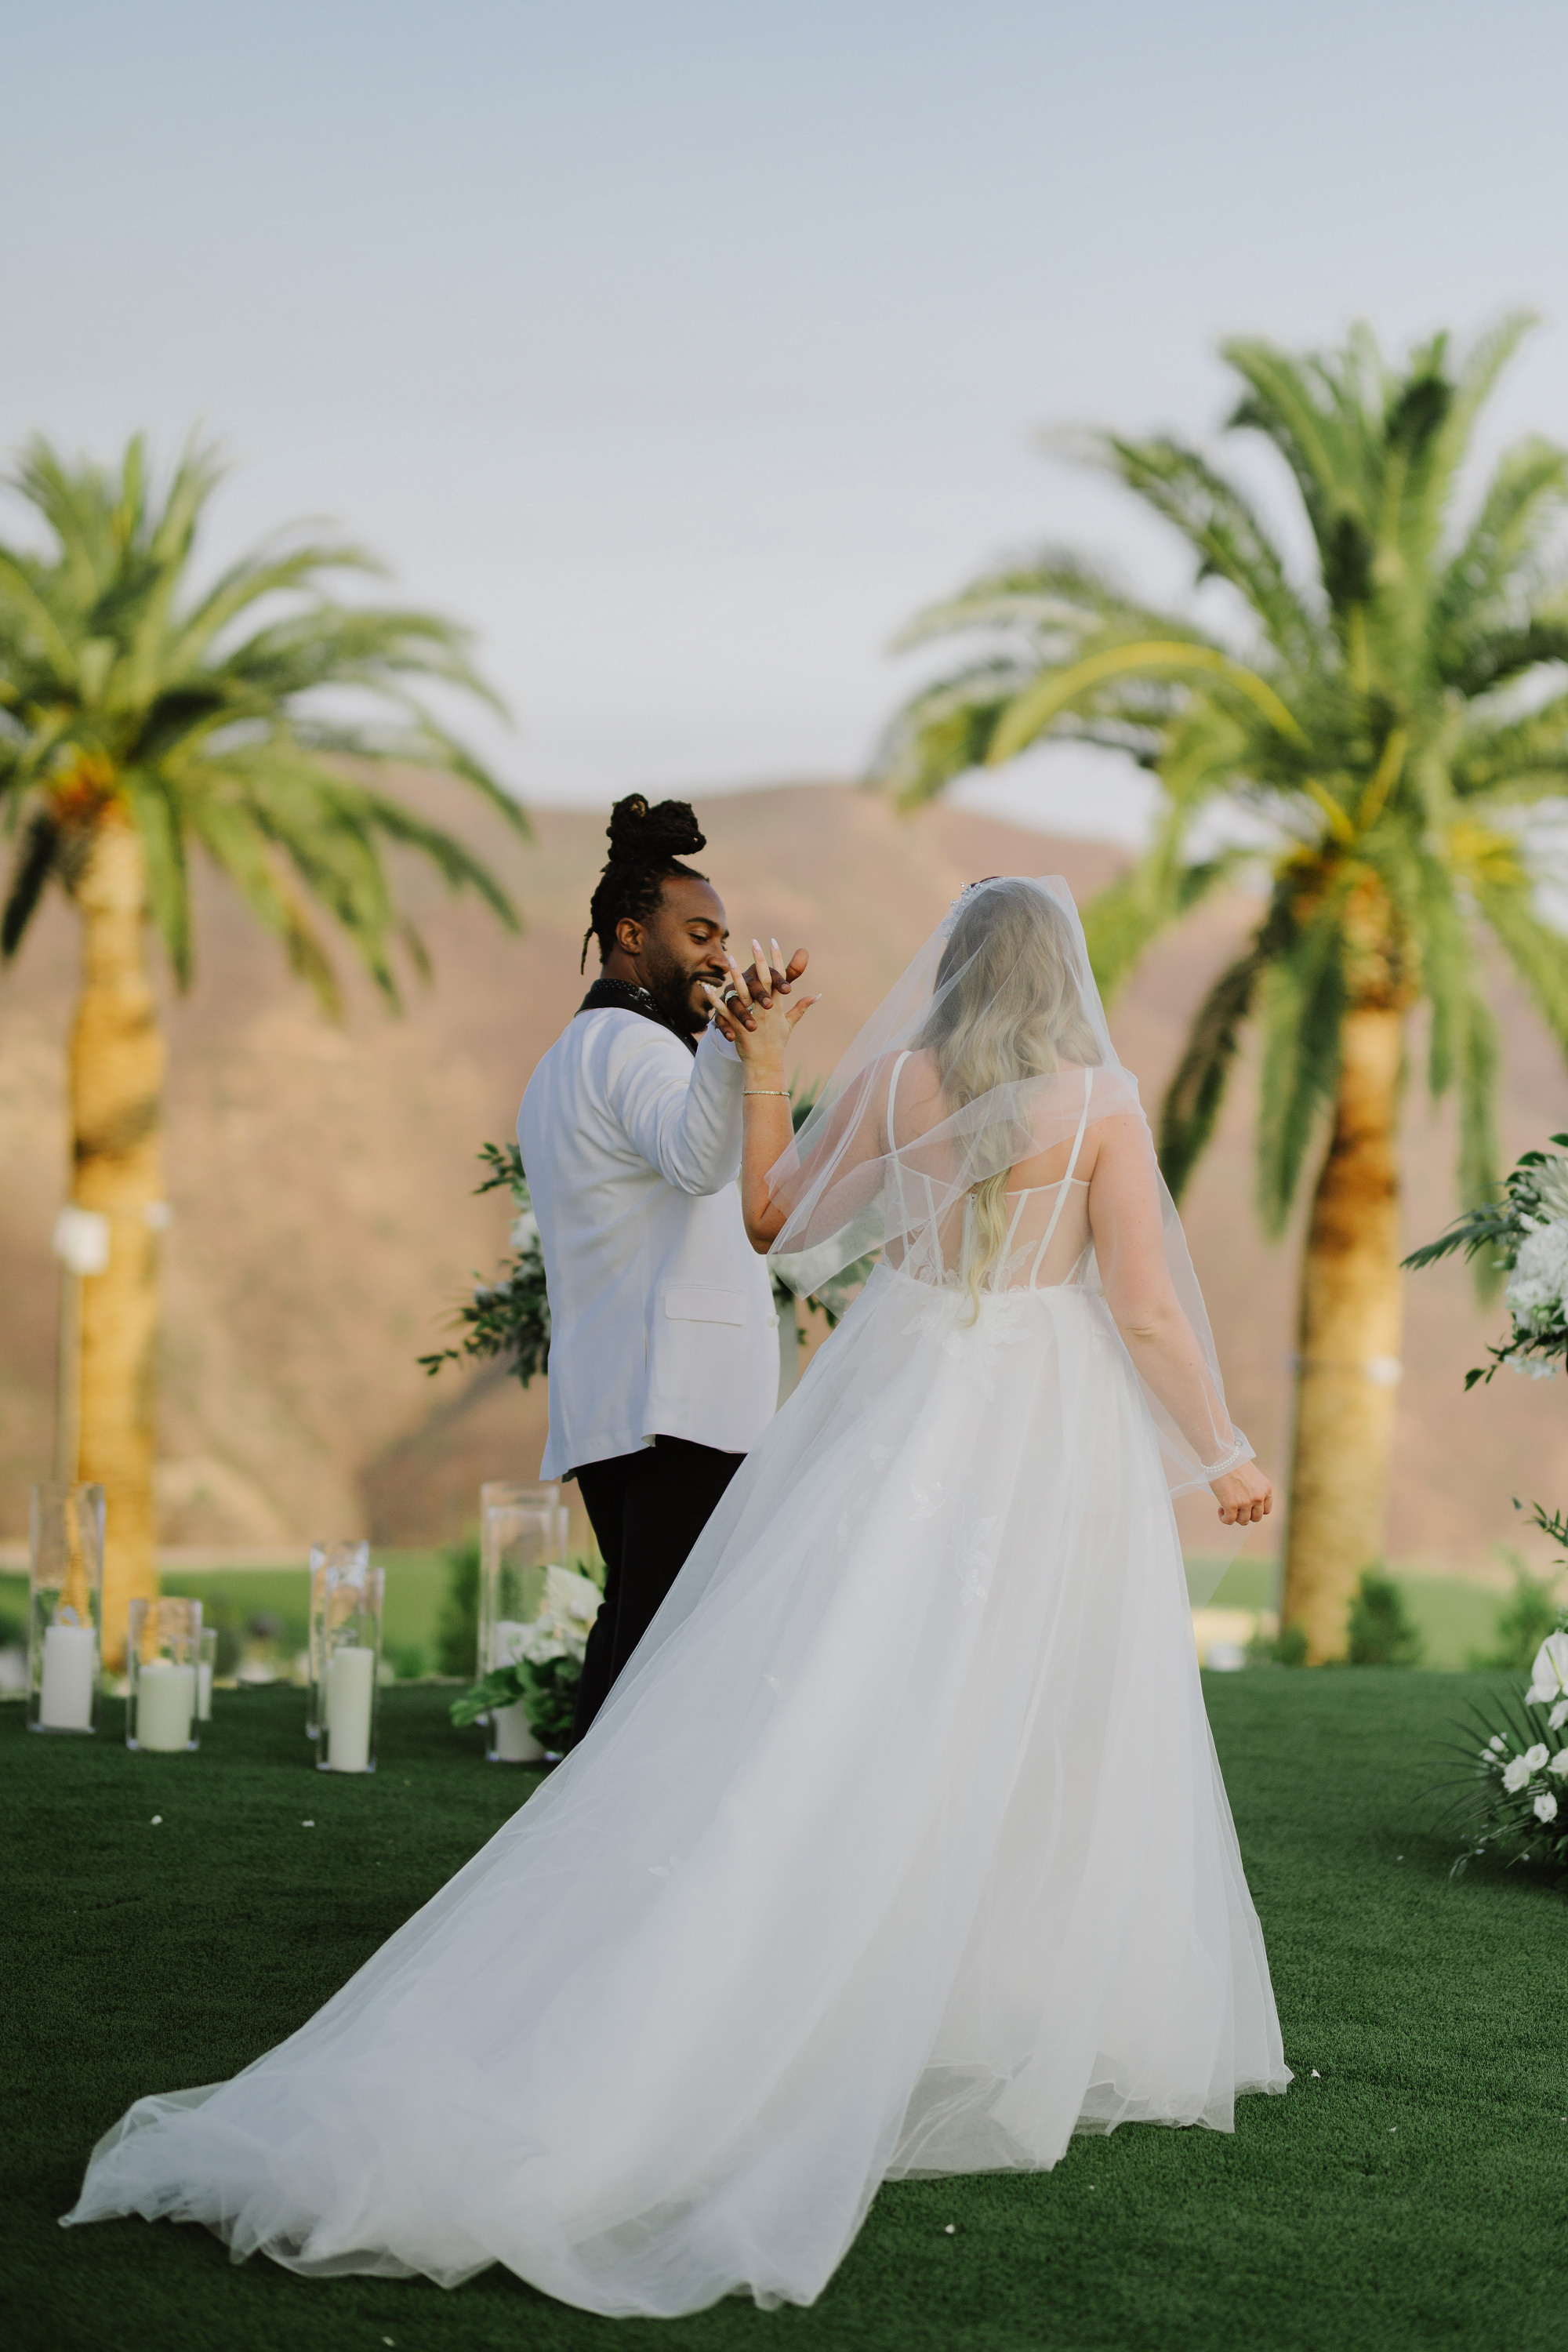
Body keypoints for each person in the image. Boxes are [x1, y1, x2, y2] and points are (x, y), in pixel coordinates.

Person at [64, 877, 1288, 2319]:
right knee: (1027, 1702)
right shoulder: (1097, 1105)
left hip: (894, 1409)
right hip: (1037, 1429)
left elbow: (769, 1217)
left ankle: (824, 1961)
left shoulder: (897, 1082)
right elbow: (1143, 1306)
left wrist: (766, 1074)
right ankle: (974, 2000)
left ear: (957, 971)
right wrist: (1222, 1449)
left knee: (838, 1697)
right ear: (1065, 978)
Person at [517, 793, 810, 1735]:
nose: (721, 956)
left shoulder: (562, 1059)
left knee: (635, 1630)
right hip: (679, 1402)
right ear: (629, 935)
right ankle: (587, 1856)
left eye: (723, 935)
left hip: (614, 1399)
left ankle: (579, 1841)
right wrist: (741, 1052)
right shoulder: (641, 1051)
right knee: (661, 1650)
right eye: (699, 934)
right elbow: (693, 1165)